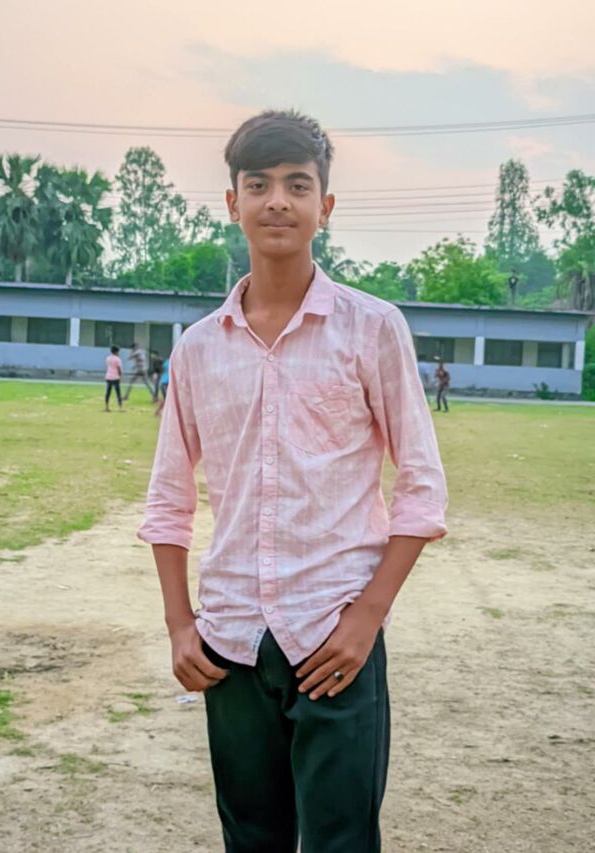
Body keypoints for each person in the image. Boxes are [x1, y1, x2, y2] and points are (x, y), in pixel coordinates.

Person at [138, 109, 448, 853]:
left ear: (325, 206)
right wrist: (180, 624)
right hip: (231, 639)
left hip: (335, 631)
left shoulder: (372, 328)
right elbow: (169, 498)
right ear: (232, 202)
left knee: (342, 839)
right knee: (251, 837)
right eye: (259, 184)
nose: (278, 200)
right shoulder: (198, 349)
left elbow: (421, 486)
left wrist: (368, 616)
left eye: (297, 185)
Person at [104, 345, 123, 412]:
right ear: (116, 352)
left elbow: (109, 366)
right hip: (115, 377)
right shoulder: (118, 359)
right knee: (118, 392)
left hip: (108, 376)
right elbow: (119, 369)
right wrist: (120, 375)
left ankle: (107, 407)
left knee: (108, 392)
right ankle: (120, 407)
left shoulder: (108, 358)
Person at [153, 353, 170, 417]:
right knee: (166, 399)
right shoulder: (169, 362)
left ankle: (159, 411)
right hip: (165, 383)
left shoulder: (166, 362)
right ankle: (157, 412)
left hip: (165, 382)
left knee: (166, 398)